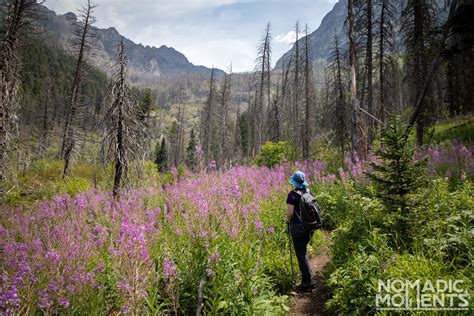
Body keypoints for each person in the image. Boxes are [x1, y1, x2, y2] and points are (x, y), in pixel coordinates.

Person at [286, 170, 313, 292]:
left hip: (297, 228)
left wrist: (286, 219)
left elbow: (290, 213)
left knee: (301, 255)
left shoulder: (292, 195)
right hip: (309, 227)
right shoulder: (308, 192)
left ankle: (307, 282)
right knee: (304, 253)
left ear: (294, 183)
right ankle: (308, 278)